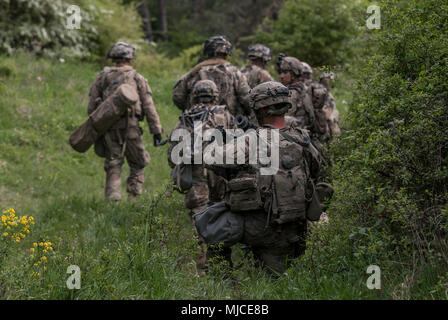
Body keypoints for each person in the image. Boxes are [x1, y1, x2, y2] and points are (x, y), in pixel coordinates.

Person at [202, 81, 322, 274]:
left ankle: (221, 282)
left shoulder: (252, 140)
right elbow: (317, 171)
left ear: (262, 109)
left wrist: (212, 140)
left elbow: (209, 158)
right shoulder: (303, 139)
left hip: (261, 228)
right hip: (297, 226)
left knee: (213, 222)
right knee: (279, 275)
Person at [168, 80, 235, 272]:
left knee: (199, 216)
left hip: (197, 175)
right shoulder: (225, 115)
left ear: (194, 96)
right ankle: (221, 261)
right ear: (216, 95)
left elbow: (173, 151)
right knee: (222, 212)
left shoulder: (186, 117)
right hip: (221, 174)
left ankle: (202, 262)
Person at [87, 42, 164, 201]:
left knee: (113, 163)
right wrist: (156, 130)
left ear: (113, 57)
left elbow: (91, 107)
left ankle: (112, 199)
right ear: (130, 57)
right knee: (139, 162)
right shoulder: (136, 77)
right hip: (131, 127)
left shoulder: (102, 77)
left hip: (108, 128)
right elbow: (148, 106)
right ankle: (133, 197)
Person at [172, 35, 251, 117]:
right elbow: (247, 99)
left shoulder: (195, 71)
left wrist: (189, 107)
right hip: (228, 123)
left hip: (198, 122)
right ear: (227, 52)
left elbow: (178, 97)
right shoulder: (234, 72)